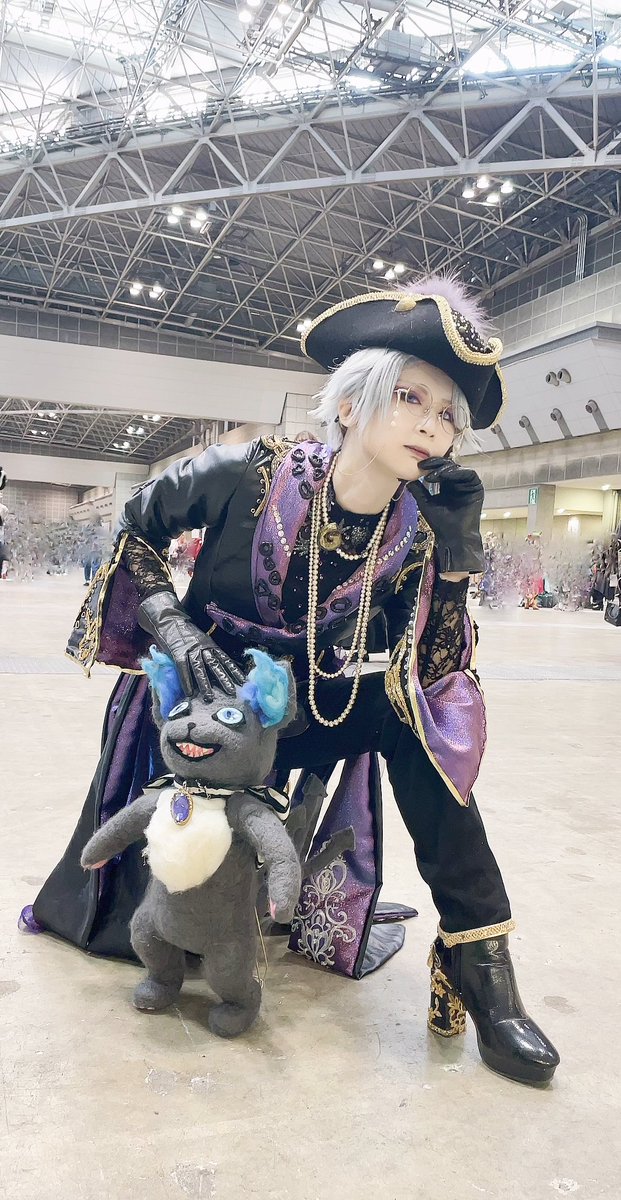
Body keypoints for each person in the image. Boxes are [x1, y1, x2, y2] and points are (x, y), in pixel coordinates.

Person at [27, 276, 559, 1086]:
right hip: (212, 707)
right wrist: (173, 627)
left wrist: (457, 562)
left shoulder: (418, 526)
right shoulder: (249, 472)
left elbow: (435, 669)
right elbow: (134, 529)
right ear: (349, 404)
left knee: (423, 737)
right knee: (168, 918)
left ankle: (480, 962)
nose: (431, 424)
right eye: (410, 398)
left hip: (316, 706)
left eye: (447, 414)